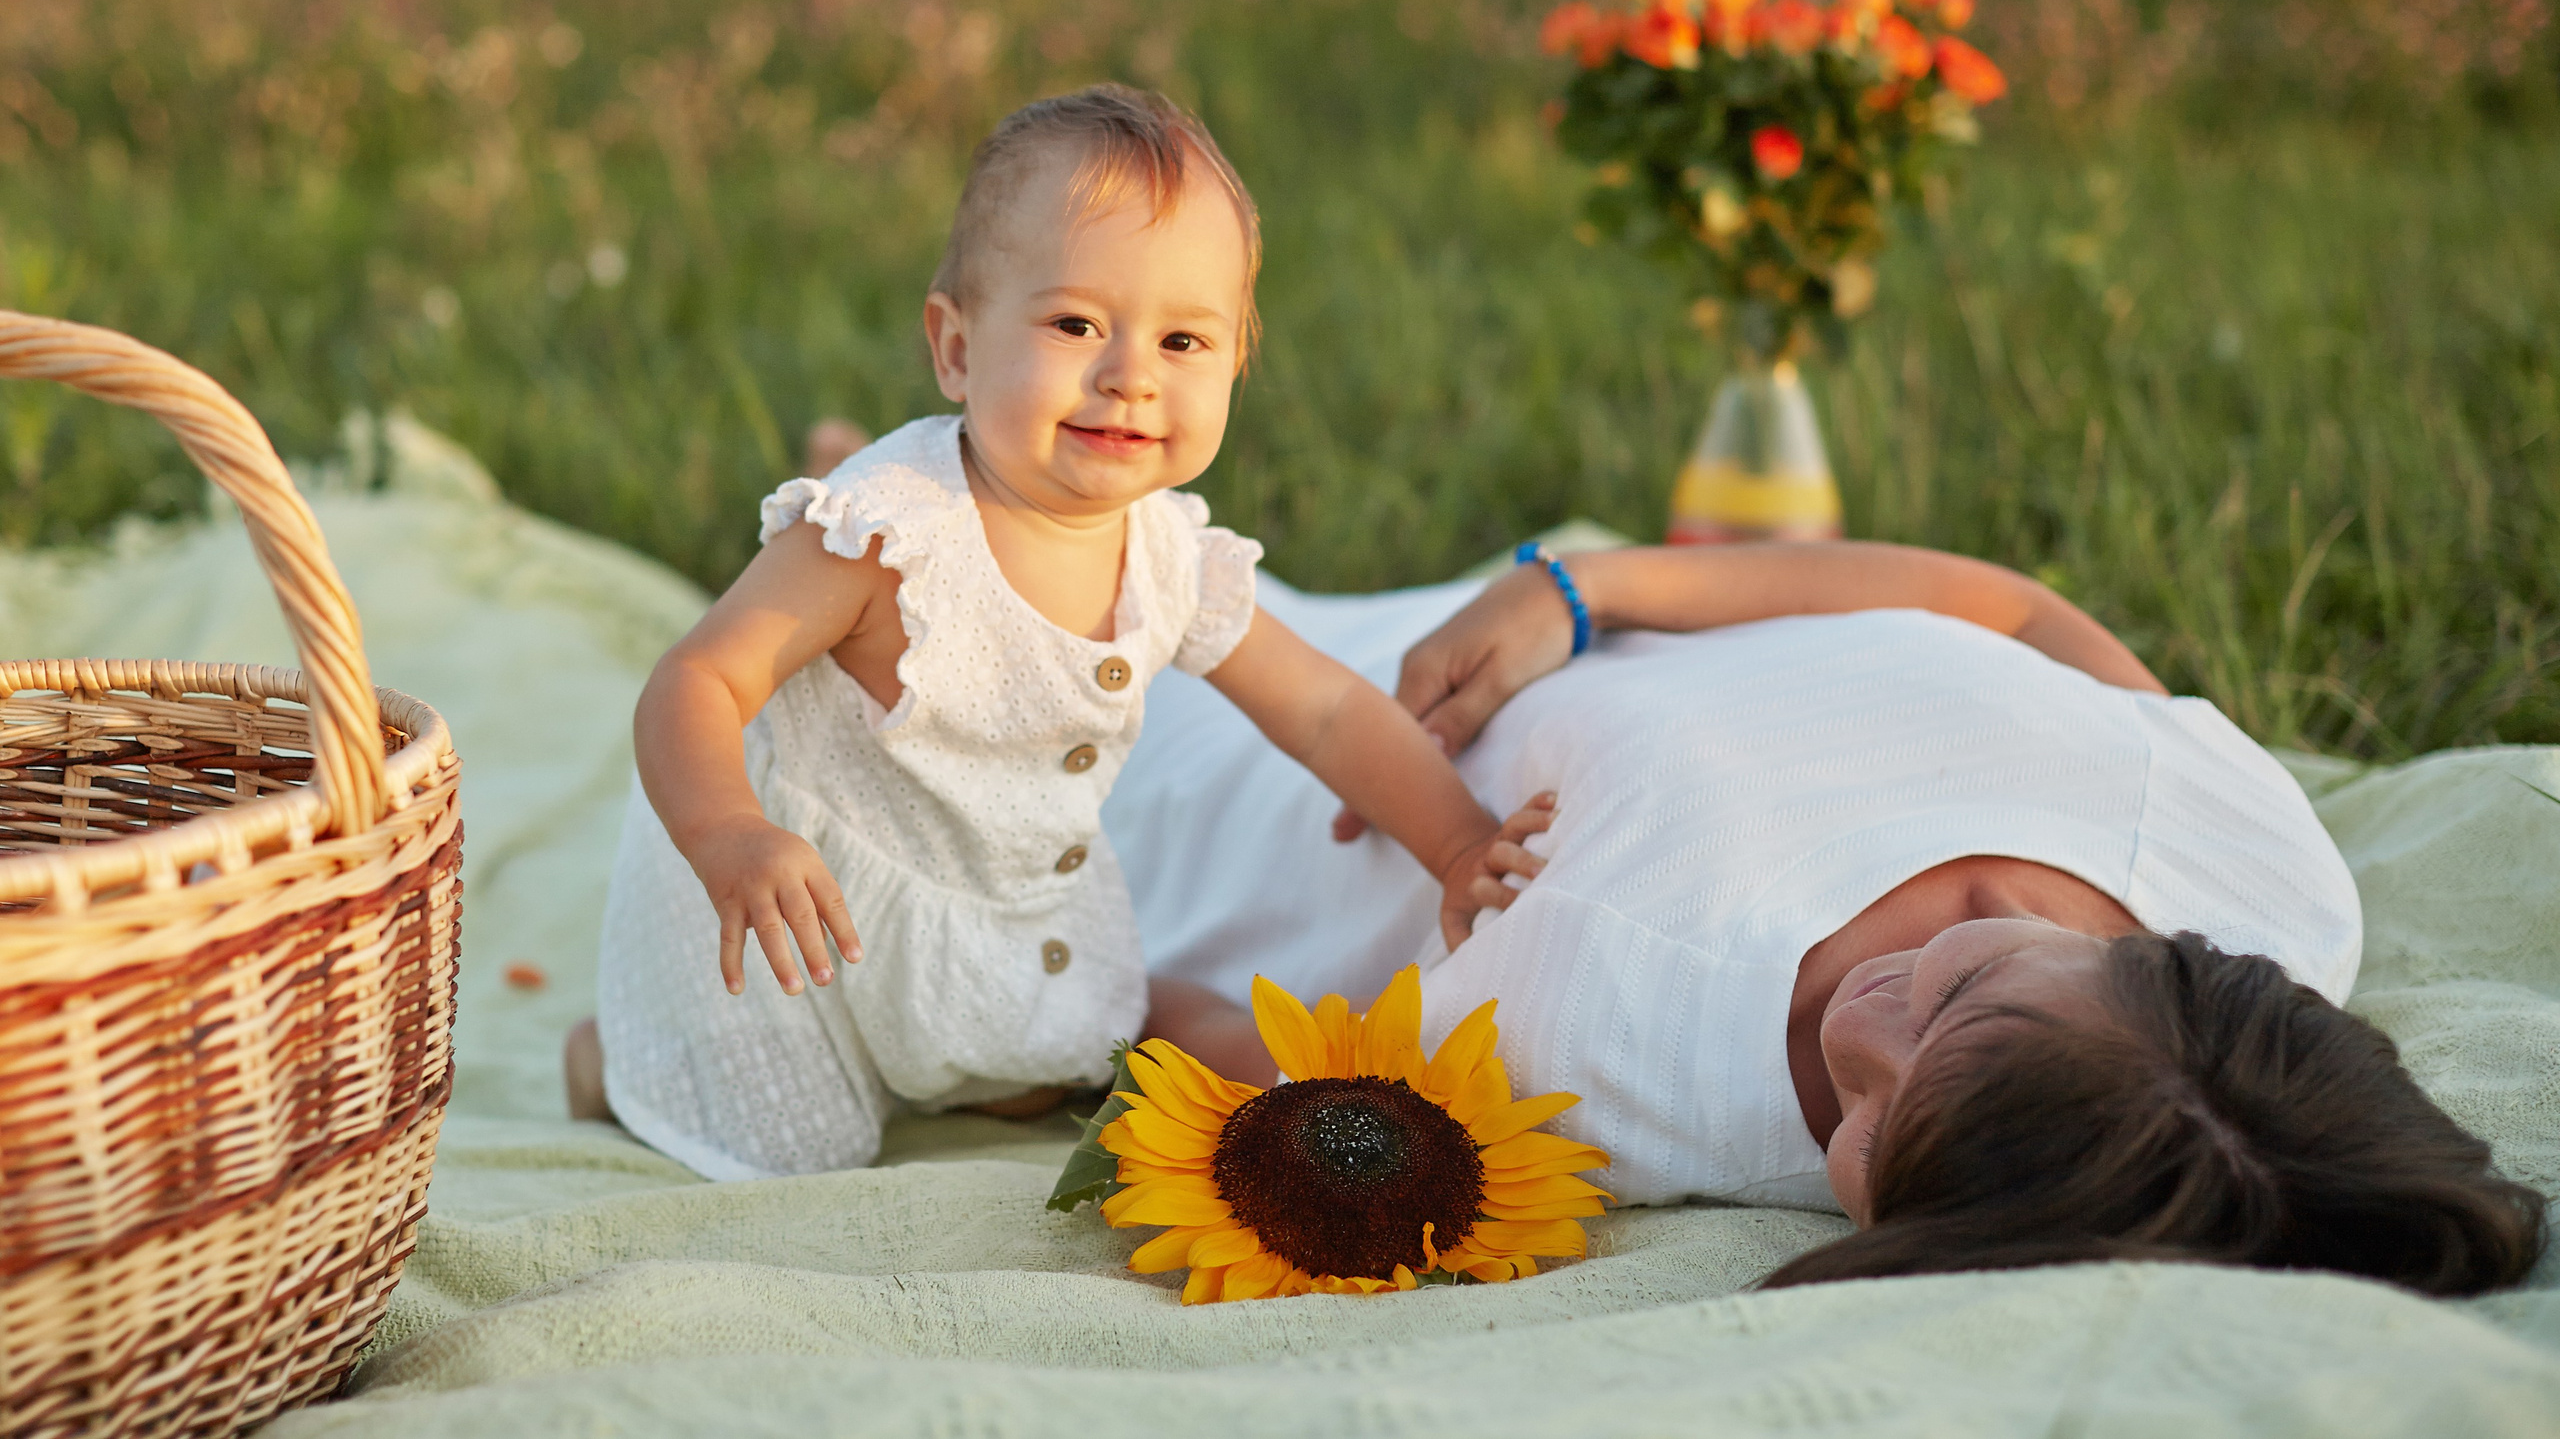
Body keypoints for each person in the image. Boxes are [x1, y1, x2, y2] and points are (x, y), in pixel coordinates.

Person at [1109, 542, 2547, 1296]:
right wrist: (1580, 589)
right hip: (1431, 632)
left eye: (1866, 1138)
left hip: (1209, 799)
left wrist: (1085, 988)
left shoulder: (1629, 1068)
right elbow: (2015, 611)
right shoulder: (2252, 863)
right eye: (1963, 997)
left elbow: (1260, 1051)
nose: (1861, 1035)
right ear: (2163, 958)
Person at [574, 86, 1509, 1179]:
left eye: (1183, 338)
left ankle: (1288, 1081)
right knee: (777, 1145)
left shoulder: (1165, 554)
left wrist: (1456, 842)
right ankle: (607, 1060)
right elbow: (697, 677)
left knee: (1074, 1050)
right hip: (805, 903)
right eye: (1076, 323)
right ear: (956, 347)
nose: (1131, 373)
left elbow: (1327, 706)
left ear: (1234, 363)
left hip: (999, 896)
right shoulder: (886, 535)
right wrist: (728, 832)